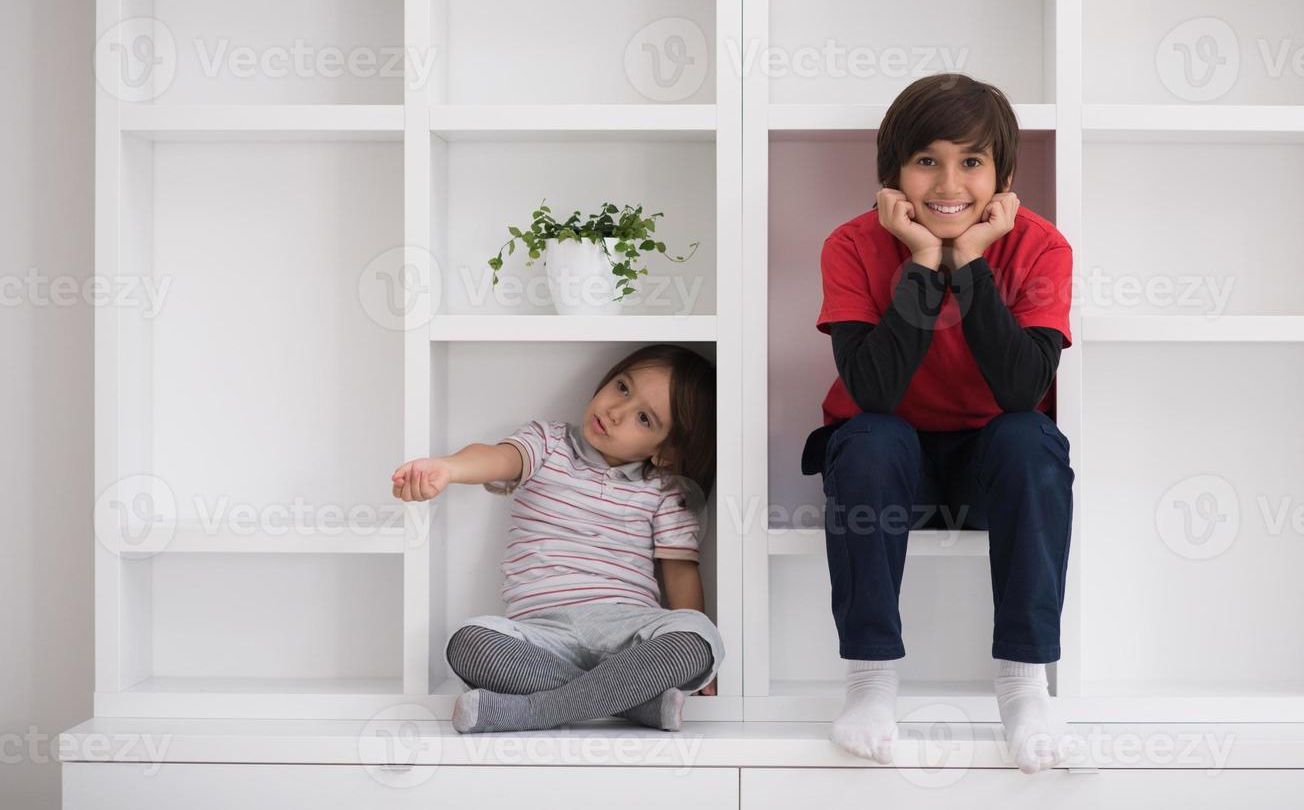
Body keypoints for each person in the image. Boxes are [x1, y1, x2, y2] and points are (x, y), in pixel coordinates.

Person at [801, 73, 1076, 772]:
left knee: (1029, 436)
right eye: (926, 161)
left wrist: (973, 262)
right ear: (892, 174)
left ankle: (1023, 687)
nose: (947, 183)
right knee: (868, 436)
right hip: (890, 467)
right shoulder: (853, 245)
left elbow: (1021, 389)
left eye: (971, 162)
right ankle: (868, 683)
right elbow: (875, 390)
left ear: (1004, 176)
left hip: (992, 467)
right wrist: (926, 262)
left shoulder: (1041, 247)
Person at [393, 344, 723, 733]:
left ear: (665, 453)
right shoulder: (548, 444)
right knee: (469, 643)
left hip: (628, 633)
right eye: (622, 388)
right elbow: (496, 458)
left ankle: (533, 712)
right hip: (539, 636)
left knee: (699, 639)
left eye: (644, 419)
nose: (616, 412)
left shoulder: (664, 491)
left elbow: (681, 574)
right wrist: (448, 468)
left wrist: (705, 660)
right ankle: (635, 705)